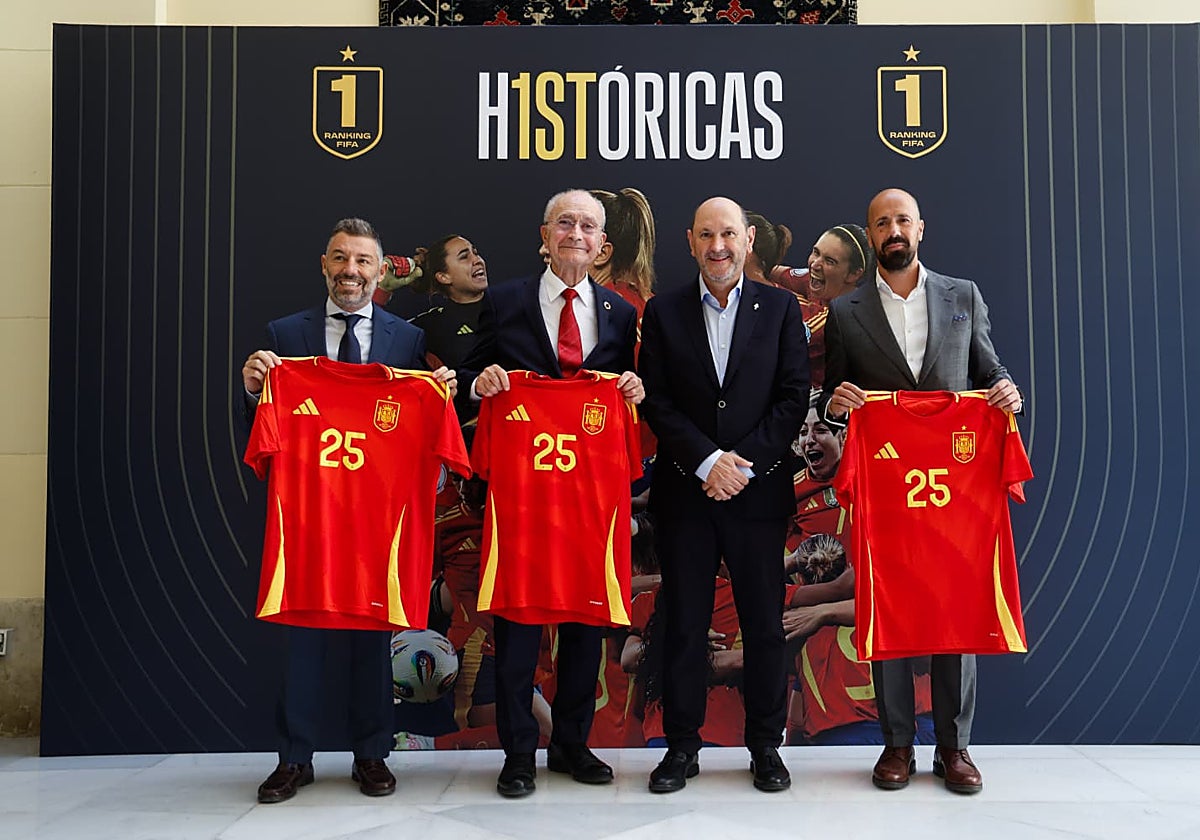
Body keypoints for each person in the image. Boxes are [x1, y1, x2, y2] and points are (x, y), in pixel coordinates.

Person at [240, 218, 457, 804]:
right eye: (340, 258)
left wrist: (437, 393)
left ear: (381, 270)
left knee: (372, 639)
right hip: (309, 516)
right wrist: (254, 390)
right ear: (324, 265)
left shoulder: (407, 340)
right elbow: (261, 431)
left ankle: (372, 754)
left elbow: (416, 431)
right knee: (303, 642)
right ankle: (293, 758)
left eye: (362, 261)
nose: (351, 271)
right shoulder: (285, 335)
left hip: (375, 518)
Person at [822, 188, 1024, 795]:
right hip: (889, 493)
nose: (893, 230)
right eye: (881, 222)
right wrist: (836, 406)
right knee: (889, 608)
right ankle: (897, 745)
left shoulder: (963, 295)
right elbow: (832, 395)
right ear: (870, 235)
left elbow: (989, 368)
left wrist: (1006, 389)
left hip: (955, 494)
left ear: (920, 228)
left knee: (954, 609)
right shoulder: (845, 312)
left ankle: (954, 748)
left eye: (902, 220)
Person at [458, 188, 644, 798]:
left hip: (588, 500)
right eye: (566, 223)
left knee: (585, 629)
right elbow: (463, 378)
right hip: (522, 500)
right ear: (545, 235)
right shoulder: (505, 300)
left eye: (588, 226)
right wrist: (481, 382)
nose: (576, 234)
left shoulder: (619, 313)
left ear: (602, 244)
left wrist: (633, 389)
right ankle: (517, 753)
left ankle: (571, 745)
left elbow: (627, 389)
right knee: (517, 628)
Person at [638, 196, 809, 793]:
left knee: (763, 627)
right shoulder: (663, 311)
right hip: (686, 495)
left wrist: (741, 466)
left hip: (757, 496)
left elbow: (793, 397)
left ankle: (765, 746)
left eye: (729, 234)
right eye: (707, 235)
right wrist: (708, 462)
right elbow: (657, 400)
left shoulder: (782, 309)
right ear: (690, 242)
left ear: (748, 240)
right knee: (684, 625)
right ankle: (681, 748)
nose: (718, 246)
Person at [408, 234, 489, 371]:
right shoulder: (428, 327)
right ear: (443, 277)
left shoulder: (514, 307)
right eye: (464, 257)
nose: (477, 260)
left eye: (475, 253)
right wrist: (383, 292)